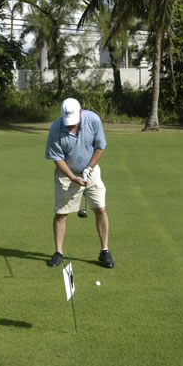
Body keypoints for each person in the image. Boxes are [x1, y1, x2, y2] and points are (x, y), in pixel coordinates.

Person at [45, 98, 114, 268]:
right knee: (61, 213)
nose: (71, 126)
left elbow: (100, 147)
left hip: (91, 170)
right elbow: (57, 157)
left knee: (100, 209)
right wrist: (72, 177)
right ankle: (58, 252)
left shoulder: (93, 120)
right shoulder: (56, 128)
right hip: (66, 174)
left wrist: (90, 167)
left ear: (81, 112)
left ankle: (104, 251)